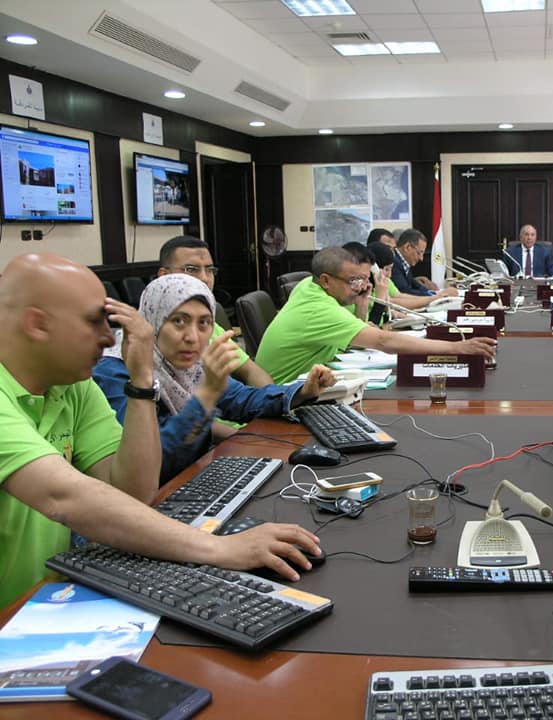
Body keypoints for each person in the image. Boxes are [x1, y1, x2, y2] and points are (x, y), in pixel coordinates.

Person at [0, 253, 322, 608]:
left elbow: (134, 491)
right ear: (37, 324)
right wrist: (219, 548)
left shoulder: (73, 384)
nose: (108, 338)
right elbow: (65, 497)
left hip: (55, 594)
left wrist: (142, 381)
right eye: (94, 322)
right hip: (14, 617)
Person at [93, 275, 337, 484]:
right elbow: (156, 462)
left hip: (192, 475)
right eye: (178, 321)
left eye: (204, 323)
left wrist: (301, 392)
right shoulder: (115, 371)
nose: (192, 337)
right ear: (152, 320)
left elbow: (240, 399)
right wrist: (206, 396)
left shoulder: (190, 361)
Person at [256, 246, 496, 383]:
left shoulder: (309, 285)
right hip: (282, 397)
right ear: (326, 280)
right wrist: (456, 348)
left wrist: (361, 307)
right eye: (353, 281)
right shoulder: (317, 308)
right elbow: (383, 340)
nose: (360, 287)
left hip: (305, 383)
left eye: (362, 279)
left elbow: (356, 339)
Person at [157, 235, 273, 387]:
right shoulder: (146, 330)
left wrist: (272, 397)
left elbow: (252, 372)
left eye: (210, 270)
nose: (205, 278)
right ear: (164, 275)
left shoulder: (208, 323)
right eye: (191, 269)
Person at [392, 229, 457, 298]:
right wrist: (437, 295)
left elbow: (413, 284)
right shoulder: (394, 262)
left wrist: (433, 292)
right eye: (419, 253)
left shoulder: (403, 261)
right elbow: (404, 292)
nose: (421, 258)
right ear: (407, 247)